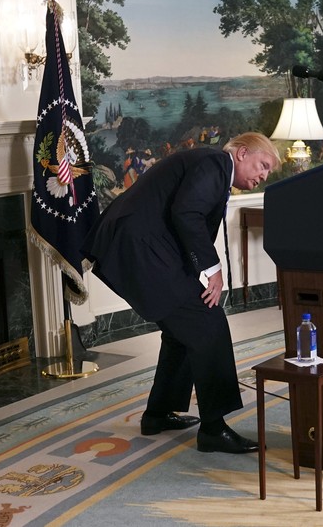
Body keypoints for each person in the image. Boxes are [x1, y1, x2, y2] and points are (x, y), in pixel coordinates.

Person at [81, 132, 280, 454]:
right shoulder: (216, 163)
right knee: (207, 324)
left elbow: (186, 217)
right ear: (242, 153)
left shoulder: (209, 165)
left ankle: (157, 414)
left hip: (137, 246)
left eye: (268, 171)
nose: (263, 175)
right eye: (263, 165)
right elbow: (186, 213)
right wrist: (211, 269)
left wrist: (202, 267)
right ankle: (213, 429)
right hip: (140, 248)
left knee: (182, 331)